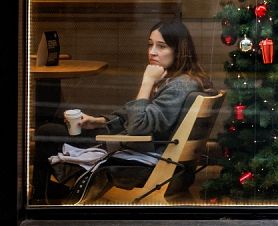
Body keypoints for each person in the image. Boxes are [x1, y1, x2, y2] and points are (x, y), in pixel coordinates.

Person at [31, 18, 213, 204]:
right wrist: (98, 121)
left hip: (144, 159)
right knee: (53, 131)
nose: (152, 52)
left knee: (47, 132)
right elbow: (142, 115)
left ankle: (42, 199)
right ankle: (49, 194)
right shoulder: (181, 80)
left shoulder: (179, 86)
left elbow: (138, 128)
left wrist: (147, 82)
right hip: (150, 153)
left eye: (161, 46)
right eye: (150, 45)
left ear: (179, 50)